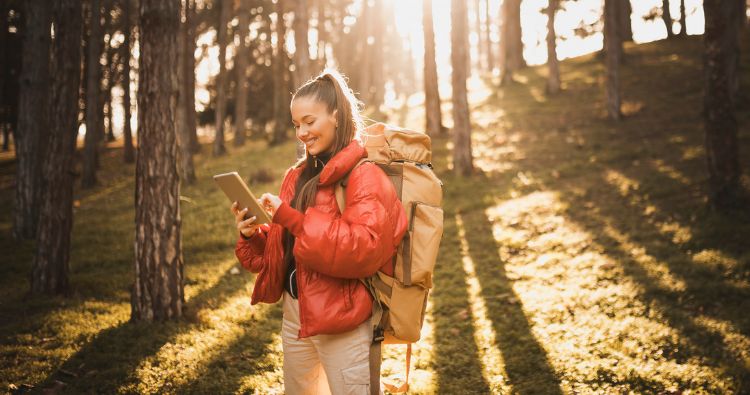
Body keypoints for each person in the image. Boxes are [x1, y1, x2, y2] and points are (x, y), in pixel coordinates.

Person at [230, 69, 407, 395]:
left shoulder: (364, 176)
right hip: (296, 317)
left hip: (344, 321)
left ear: (336, 117)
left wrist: (292, 218)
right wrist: (252, 235)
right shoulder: (296, 176)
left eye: (309, 121)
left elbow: (363, 250)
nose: (302, 132)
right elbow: (285, 249)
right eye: (297, 124)